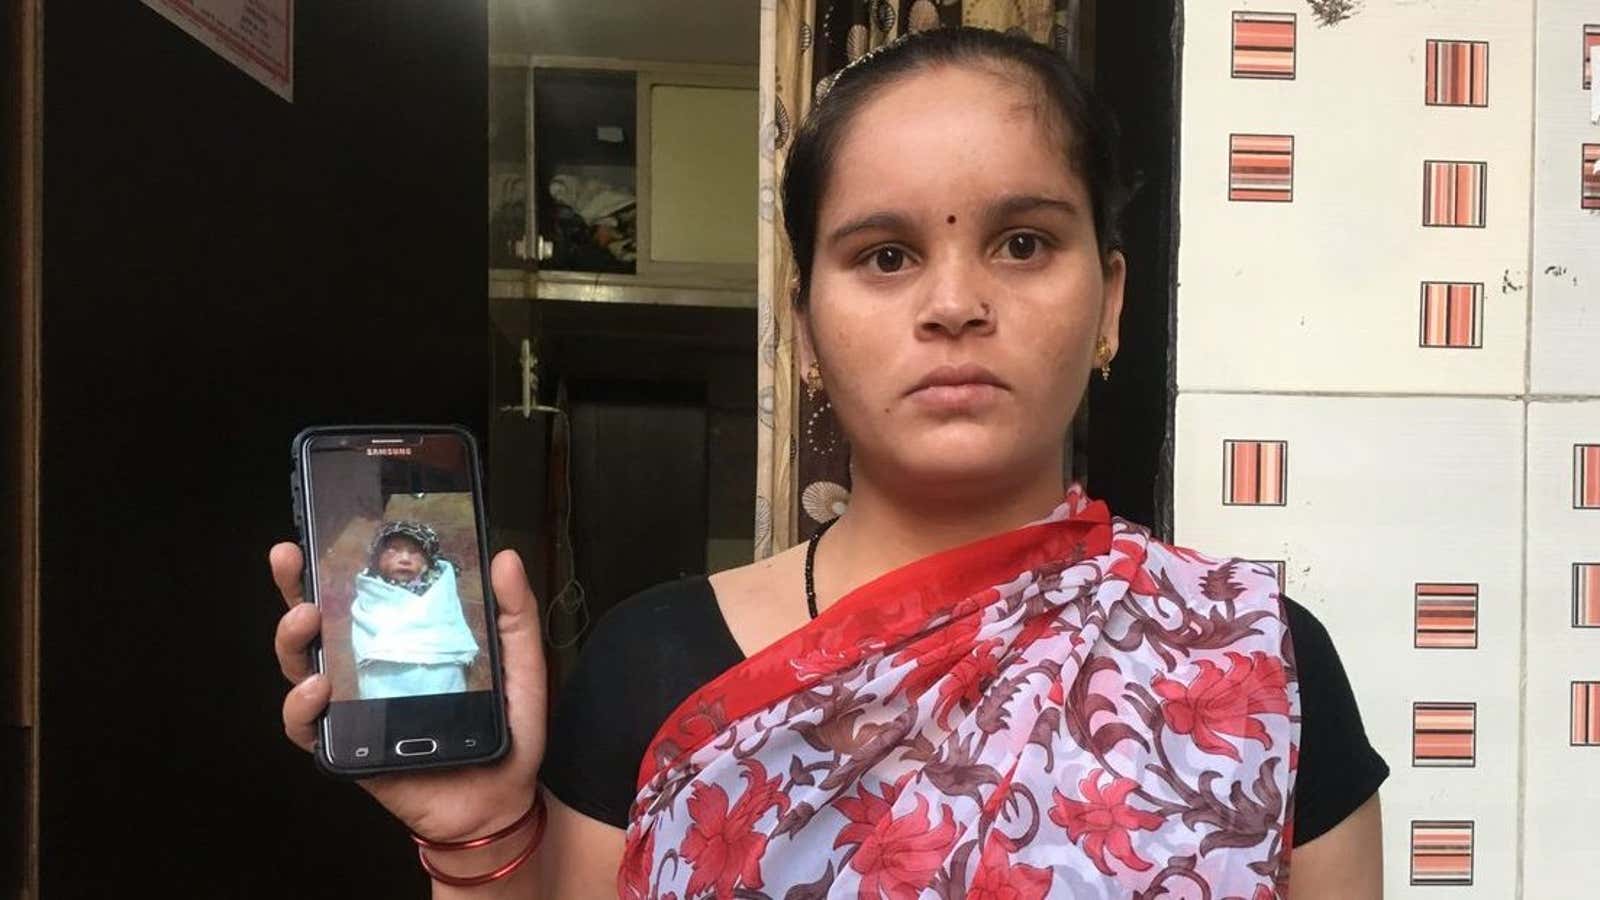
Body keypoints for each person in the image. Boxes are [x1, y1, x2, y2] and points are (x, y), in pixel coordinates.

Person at [270, 27, 1386, 899]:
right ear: (805, 332)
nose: (955, 304)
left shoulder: (1259, 669)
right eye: (886, 255)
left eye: (1024, 243)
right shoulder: (653, 667)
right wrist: (479, 842)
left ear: (1112, 303)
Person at [348, 520, 480, 700]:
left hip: (439, 667)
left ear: (427, 562)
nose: (404, 559)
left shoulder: (438, 589)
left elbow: (446, 622)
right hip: (384, 674)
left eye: (414, 552)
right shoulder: (371, 590)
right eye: (393, 550)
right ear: (377, 557)